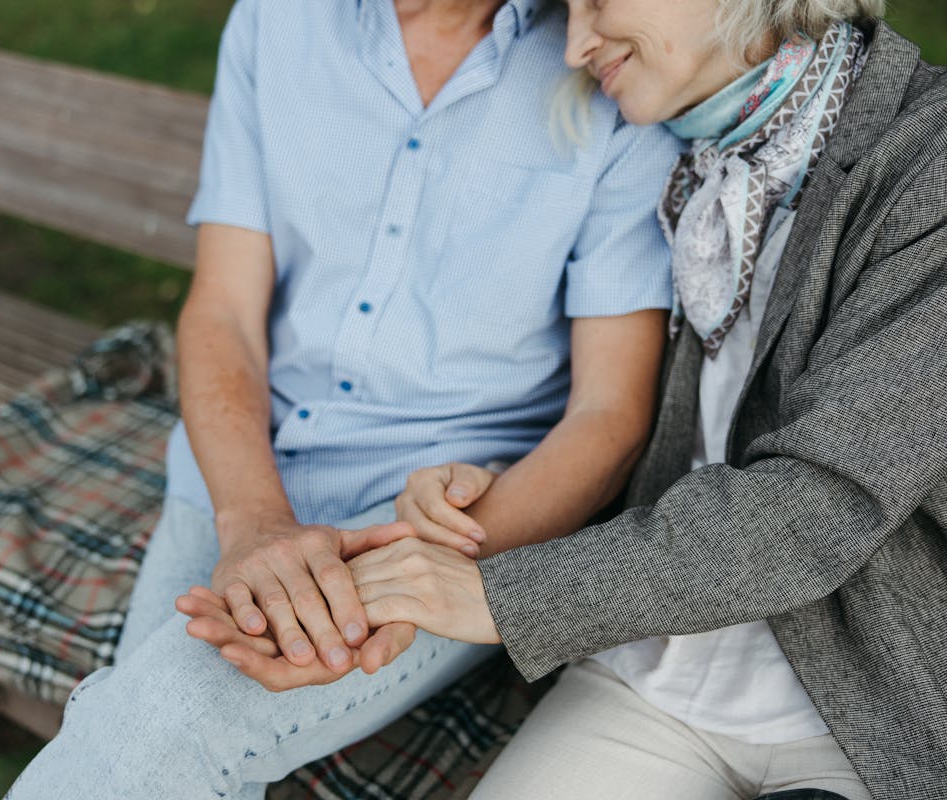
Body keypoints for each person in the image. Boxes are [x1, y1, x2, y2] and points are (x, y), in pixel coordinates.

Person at [196, 1, 946, 797]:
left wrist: (498, 595)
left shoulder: (922, 164)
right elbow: (621, 415)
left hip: (865, 688)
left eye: (595, 0)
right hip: (652, 663)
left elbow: (816, 503)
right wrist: (473, 490)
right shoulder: (685, 154)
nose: (575, 43)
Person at [6, 1, 682, 797]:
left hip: (438, 515)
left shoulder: (609, 58)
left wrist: (425, 568)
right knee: (142, 733)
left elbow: (610, 417)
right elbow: (224, 308)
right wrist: (253, 521)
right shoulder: (274, 20)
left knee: (161, 725)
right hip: (239, 466)